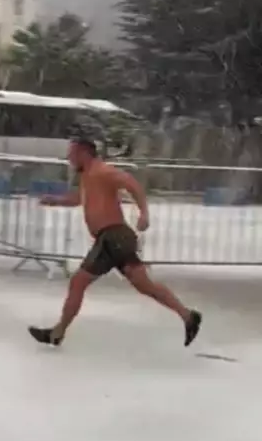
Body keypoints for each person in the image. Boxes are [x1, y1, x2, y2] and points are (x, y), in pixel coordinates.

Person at [28, 135, 202, 347]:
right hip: (115, 238)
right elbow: (80, 199)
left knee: (78, 282)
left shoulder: (102, 170)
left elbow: (132, 183)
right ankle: (187, 316)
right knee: (144, 285)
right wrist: (56, 201)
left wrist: (144, 213)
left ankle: (57, 333)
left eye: (72, 154)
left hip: (113, 236)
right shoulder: (88, 176)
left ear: (84, 153)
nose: (69, 159)